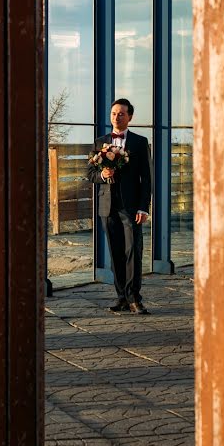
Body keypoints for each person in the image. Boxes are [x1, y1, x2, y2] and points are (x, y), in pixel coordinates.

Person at [88, 98, 152, 314]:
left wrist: (144, 207)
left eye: (121, 114)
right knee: (115, 253)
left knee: (133, 251)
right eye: (114, 113)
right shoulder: (100, 142)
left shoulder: (140, 142)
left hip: (132, 207)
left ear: (130, 117)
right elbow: (89, 173)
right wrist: (103, 175)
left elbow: (147, 178)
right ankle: (121, 298)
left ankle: (135, 298)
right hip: (107, 206)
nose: (117, 117)